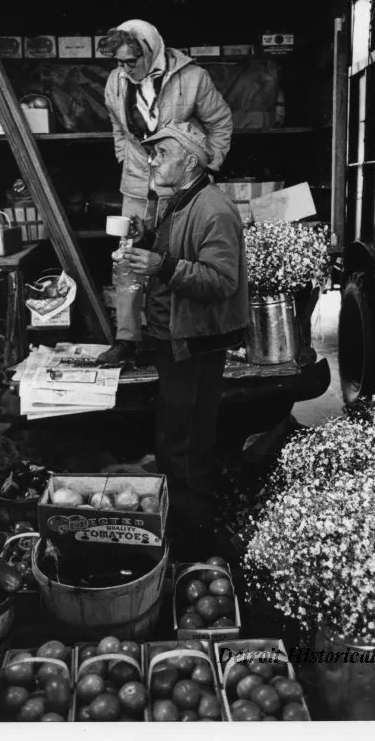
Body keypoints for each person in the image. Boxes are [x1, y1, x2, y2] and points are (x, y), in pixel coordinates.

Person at [123, 119, 248, 561]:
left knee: (186, 448)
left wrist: (161, 265)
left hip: (194, 346)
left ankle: (197, 546)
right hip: (174, 341)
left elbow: (221, 281)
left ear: (190, 161)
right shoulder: (178, 202)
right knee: (176, 441)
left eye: (162, 153)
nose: (153, 160)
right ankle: (188, 532)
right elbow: (175, 249)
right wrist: (148, 239)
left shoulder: (212, 208)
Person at [97, 20, 233, 366]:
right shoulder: (116, 81)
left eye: (132, 61)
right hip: (137, 181)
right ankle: (126, 340)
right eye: (119, 62)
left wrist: (207, 166)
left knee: (174, 255)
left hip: (177, 181)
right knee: (128, 254)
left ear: (151, 50)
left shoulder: (193, 78)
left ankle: (178, 335)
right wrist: (124, 157)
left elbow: (220, 123)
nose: (125, 69)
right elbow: (118, 126)